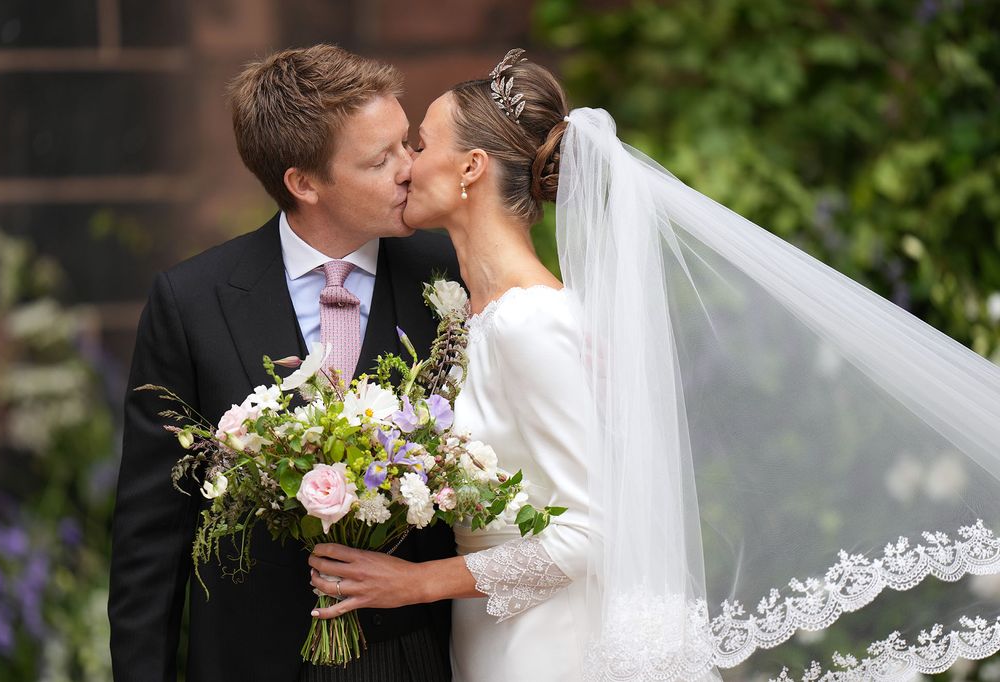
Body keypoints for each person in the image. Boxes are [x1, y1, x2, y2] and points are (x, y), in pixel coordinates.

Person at [307, 49, 1000, 681]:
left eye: (421, 144)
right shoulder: (474, 319)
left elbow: (593, 532)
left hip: (551, 647)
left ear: (470, 169)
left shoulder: (533, 324)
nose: (406, 163)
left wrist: (416, 583)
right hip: (492, 635)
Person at [109, 45, 458, 682]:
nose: (411, 169)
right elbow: (149, 533)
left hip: (416, 655)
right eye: (381, 160)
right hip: (249, 658)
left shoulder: (453, 277)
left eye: (407, 144)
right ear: (303, 183)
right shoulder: (191, 301)